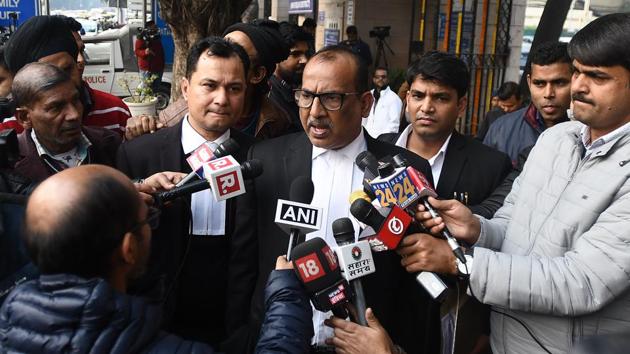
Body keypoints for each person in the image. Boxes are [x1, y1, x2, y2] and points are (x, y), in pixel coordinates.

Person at [348, 13, 630, 354]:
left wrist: (458, 263)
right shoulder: (556, 139)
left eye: (597, 77)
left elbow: (581, 282)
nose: (579, 86)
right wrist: (477, 228)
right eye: (578, 71)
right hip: (504, 341)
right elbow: (511, 226)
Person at [233, 45, 439, 354]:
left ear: (365, 103)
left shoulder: (404, 169)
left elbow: (416, 275)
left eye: (331, 98)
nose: (314, 111)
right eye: (306, 95)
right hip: (280, 339)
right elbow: (244, 263)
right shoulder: (266, 159)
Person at [0, 165, 313, 353]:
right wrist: (286, 298)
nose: (151, 225)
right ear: (129, 249)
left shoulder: (10, 325)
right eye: (144, 221)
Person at [117, 37, 255, 350]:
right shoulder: (138, 155)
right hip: (156, 322)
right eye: (209, 85)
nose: (222, 99)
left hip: (233, 325)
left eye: (234, 88)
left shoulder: (261, 157)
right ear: (184, 88)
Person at [377, 51, 511, 354]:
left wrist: (486, 330)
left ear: (460, 105)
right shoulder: (375, 151)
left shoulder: (490, 164)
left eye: (440, 98)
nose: (426, 107)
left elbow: (502, 244)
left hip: (451, 316)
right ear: (407, 98)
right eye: (418, 95)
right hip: (381, 310)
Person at [4, 15, 130, 136]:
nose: (73, 116)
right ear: (25, 117)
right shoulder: (8, 130)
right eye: (50, 75)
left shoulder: (115, 111)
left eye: (67, 69)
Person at [10, 62, 120, 183]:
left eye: (76, 101)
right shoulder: (10, 163)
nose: (74, 115)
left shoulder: (109, 143)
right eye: (55, 108)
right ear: (24, 117)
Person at [483, 42, 572, 164]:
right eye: (539, 83)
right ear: (529, 82)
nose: (548, 93)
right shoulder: (500, 130)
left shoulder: (592, 133)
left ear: (576, 81)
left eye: (559, 83)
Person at [60, 15, 132, 137]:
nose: (80, 60)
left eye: (82, 51)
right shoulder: (19, 122)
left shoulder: (115, 110)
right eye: (70, 53)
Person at [269, 22, 312, 131]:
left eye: (305, 54)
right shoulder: (270, 99)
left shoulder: (293, 88)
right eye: (295, 54)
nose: (304, 60)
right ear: (277, 56)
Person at [363, 66, 402, 136]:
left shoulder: (394, 98)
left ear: (388, 79)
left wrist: (383, 139)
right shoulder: (369, 95)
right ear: (373, 79)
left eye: (383, 77)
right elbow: (363, 118)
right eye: (377, 77)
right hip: (366, 139)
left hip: (383, 141)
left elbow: (394, 124)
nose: (380, 79)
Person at [134, 20, 165, 93]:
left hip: (158, 68)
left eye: (155, 27)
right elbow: (137, 51)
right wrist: (145, 52)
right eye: (153, 27)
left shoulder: (157, 37)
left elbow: (160, 52)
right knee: (146, 90)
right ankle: (144, 104)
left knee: (156, 90)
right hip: (147, 69)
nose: (155, 28)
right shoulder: (142, 37)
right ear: (148, 27)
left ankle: (154, 103)